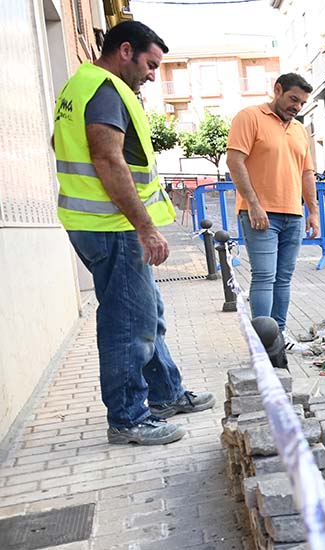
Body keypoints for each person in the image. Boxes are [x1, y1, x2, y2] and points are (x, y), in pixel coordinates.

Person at [53, 21, 214, 446]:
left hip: (98, 223)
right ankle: (128, 418)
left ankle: (165, 394)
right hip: (113, 226)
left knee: (148, 315)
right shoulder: (106, 89)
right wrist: (145, 227)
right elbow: (108, 159)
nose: (152, 74)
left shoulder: (80, 86)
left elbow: (59, 142)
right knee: (129, 323)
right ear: (126, 50)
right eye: (150, 64)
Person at [226, 73, 319, 352]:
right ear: (277, 90)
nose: (297, 107)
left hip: (293, 214)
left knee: (284, 277)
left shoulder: (300, 130)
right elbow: (234, 160)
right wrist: (253, 204)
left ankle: (277, 334)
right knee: (264, 276)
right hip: (261, 214)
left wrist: (312, 211)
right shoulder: (249, 116)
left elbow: (307, 173)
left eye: (302, 103)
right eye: (293, 99)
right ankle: (260, 340)